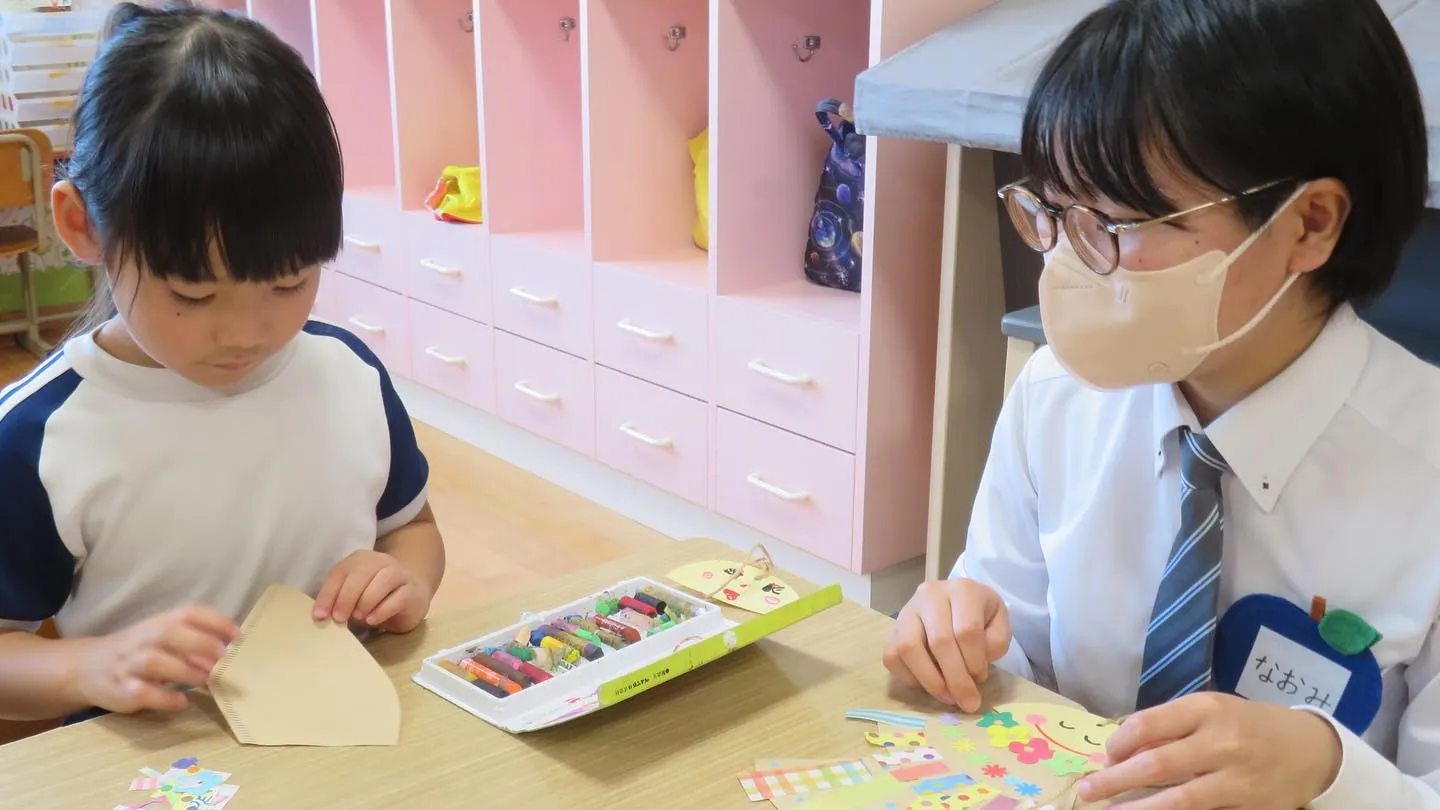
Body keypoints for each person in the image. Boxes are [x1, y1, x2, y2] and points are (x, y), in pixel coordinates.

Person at [882, 0, 1439, 807]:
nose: (1074, 261)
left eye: (1117, 221)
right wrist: (956, 639)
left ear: (1309, 224)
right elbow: (1008, 655)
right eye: (1055, 211)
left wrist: (1331, 772)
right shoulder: (1056, 398)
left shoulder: (1424, 473)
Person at [0, 2, 446, 724]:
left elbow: (412, 528)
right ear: (81, 226)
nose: (246, 333)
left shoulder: (348, 374)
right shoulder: (37, 435)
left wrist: (406, 580)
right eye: (194, 294)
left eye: (288, 283)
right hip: (159, 761)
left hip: (342, 734)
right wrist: (88, 666)